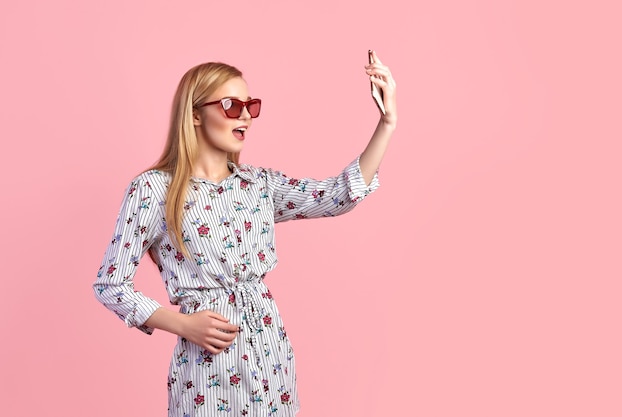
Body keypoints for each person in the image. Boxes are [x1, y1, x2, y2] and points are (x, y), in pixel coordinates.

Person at [94, 51, 397, 417]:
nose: (244, 116)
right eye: (230, 105)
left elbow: (337, 196)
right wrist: (183, 325)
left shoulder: (259, 185)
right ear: (194, 114)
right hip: (207, 370)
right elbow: (111, 284)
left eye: (250, 106)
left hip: (271, 355)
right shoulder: (154, 190)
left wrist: (386, 123)